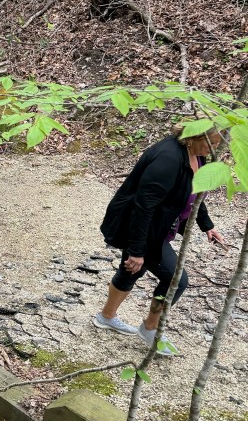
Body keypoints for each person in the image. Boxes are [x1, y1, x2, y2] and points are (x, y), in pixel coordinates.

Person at [94, 124, 226, 355]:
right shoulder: (168, 159)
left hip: (157, 225)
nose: (215, 148)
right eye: (211, 142)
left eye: (218, 144)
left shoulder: (197, 155)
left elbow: (194, 194)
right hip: (144, 229)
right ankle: (150, 328)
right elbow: (143, 207)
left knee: (131, 271)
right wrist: (137, 250)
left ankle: (106, 317)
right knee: (176, 280)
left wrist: (207, 225)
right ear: (193, 136)